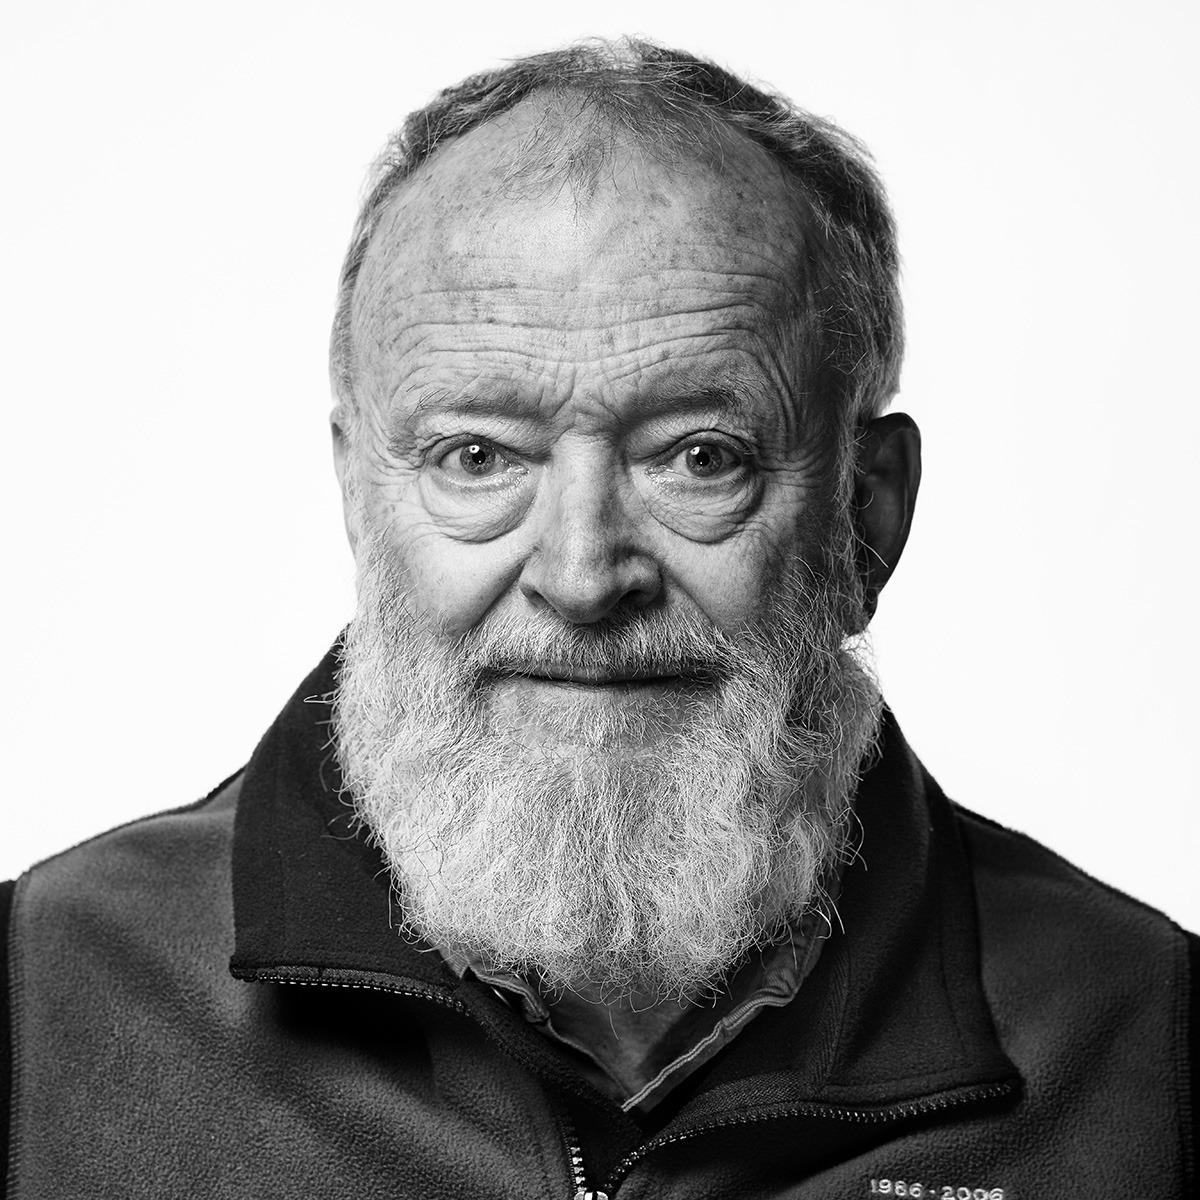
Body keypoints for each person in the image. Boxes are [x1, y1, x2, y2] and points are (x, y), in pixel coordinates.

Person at [1, 37, 1194, 1199]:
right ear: (360, 499)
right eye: (478, 456)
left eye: (697, 457)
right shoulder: (39, 997)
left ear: (867, 514)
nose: (581, 573)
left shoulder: (1149, 1043)